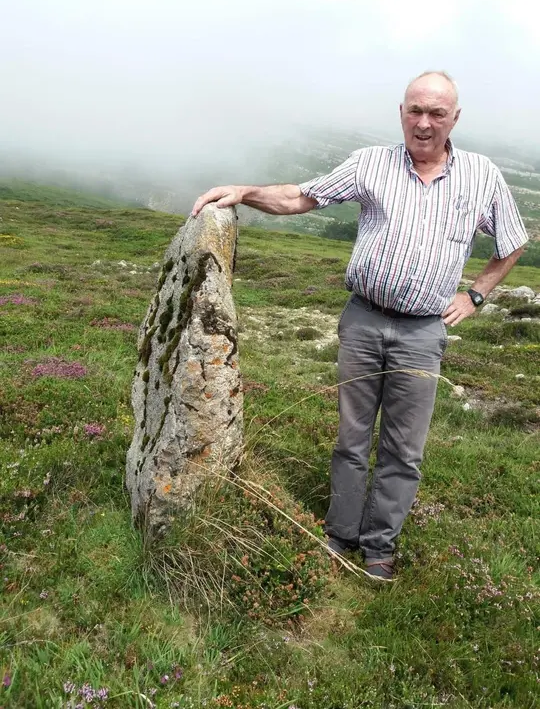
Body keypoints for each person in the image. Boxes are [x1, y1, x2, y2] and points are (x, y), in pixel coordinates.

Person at [191, 71, 528, 581]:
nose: (424, 123)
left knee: (404, 449)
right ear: (401, 113)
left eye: (436, 113)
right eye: (415, 110)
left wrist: (476, 294)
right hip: (364, 321)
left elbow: (512, 240)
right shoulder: (370, 163)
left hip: (422, 333)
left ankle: (379, 546)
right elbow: (301, 197)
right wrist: (244, 191)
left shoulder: (482, 176)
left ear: (455, 119)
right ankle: (340, 533)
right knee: (351, 438)